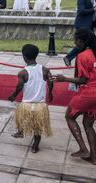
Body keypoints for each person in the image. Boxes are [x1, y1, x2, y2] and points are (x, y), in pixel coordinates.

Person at [52, 29, 96, 164]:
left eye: (76, 40)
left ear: (82, 41)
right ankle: (94, 157)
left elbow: (82, 80)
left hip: (89, 92)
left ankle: (83, 149)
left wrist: (63, 78)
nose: (74, 42)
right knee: (88, 124)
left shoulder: (83, 56)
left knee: (69, 116)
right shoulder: (94, 53)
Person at [8, 44, 53, 153]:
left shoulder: (22, 73)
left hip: (26, 104)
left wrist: (13, 95)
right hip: (40, 105)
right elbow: (51, 83)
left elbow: (19, 87)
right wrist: (50, 94)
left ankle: (20, 131)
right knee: (37, 127)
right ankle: (35, 145)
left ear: (24, 56)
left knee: (20, 118)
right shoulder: (45, 70)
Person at [64, 0, 96, 66]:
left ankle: (82, 60)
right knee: (83, 43)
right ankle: (68, 57)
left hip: (90, 24)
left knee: (90, 43)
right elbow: (81, 11)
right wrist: (93, 9)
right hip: (82, 25)